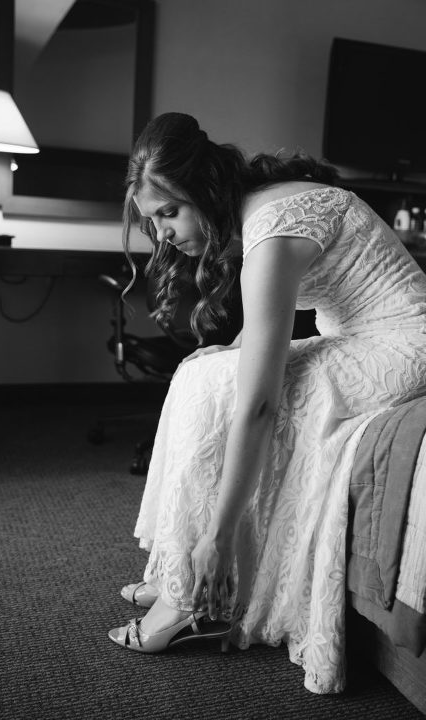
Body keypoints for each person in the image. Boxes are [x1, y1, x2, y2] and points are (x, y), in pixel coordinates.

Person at [108, 112, 426, 694]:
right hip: (362, 335)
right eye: (153, 221)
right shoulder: (260, 210)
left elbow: (259, 405)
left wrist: (221, 533)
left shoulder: (273, 230)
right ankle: (178, 568)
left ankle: (193, 594)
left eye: (169, 213)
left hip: (406, 345)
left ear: (203, 191)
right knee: (204, 370)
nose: (163, 235)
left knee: (234, 386)